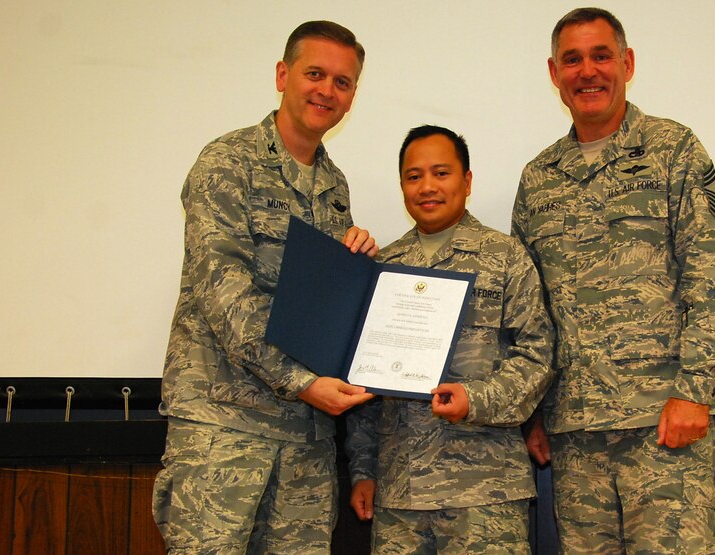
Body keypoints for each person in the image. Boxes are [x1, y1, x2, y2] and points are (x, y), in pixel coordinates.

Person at [512, 8, 715, 554]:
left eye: (601, 56)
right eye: (572, 59)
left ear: (627, 63)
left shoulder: (673, 150)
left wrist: (693, 390)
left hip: (663, 424)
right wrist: (534, 410)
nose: (587, 71)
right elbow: (528, 312)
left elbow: (714, 275)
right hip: (575, 434)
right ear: (554, 73)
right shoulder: (538, 178)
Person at [153, 20, 378, 554]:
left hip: (305, 437)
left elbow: (320, 304)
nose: (327, 90)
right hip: (223, 426)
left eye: (342, 82)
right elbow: (225, 295)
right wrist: (301, 381)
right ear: (283, 74)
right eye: (315, 73)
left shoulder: (334, 187)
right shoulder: (226, 164)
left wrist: (358, 268)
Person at [346, 125, 555, 554]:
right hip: (398, 494)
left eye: (441, 173)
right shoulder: (383, 266)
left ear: (467, 181)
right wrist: (363, 470)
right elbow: (362, 380)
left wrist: (476, 400)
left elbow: (537, 356)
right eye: (413, 176)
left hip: (484, 493)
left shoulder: (505, 256)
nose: (427, 187)